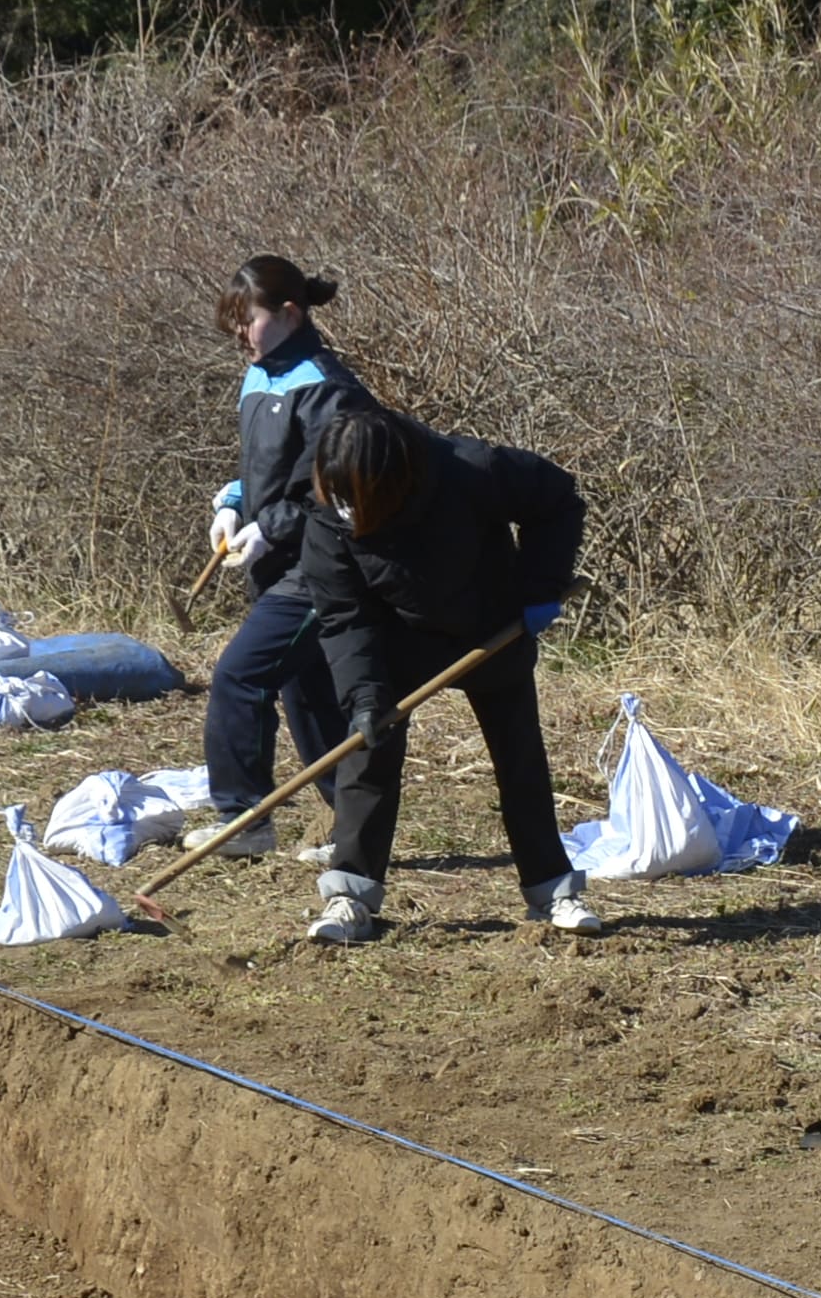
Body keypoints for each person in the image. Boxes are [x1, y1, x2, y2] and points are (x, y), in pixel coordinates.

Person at [280, 392, 589, 944]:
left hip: (491, 628)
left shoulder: (470, 469)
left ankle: (553, 891)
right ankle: (350, 896)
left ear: (393, 483)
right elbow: (344, 614)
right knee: (367, 755)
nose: (349, 513)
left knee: (519, 754)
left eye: (361, 501)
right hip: (394, 635)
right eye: (340, 500)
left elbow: (558, 499)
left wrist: (539, 588)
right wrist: (365, 695)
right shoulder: (322, 512)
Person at [194, 255, 359, 830]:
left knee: (239, 675)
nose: (240, 335)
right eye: (233, 323)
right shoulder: (260, 373)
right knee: (309, 695)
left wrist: (271, 526)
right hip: (277, 565)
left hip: (320, 567)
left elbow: (336, 494)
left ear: (290, 314)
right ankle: (355, 825)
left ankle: (243, 820)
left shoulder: (328, 390)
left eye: (249, 320)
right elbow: (267, 467)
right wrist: (234, 503)